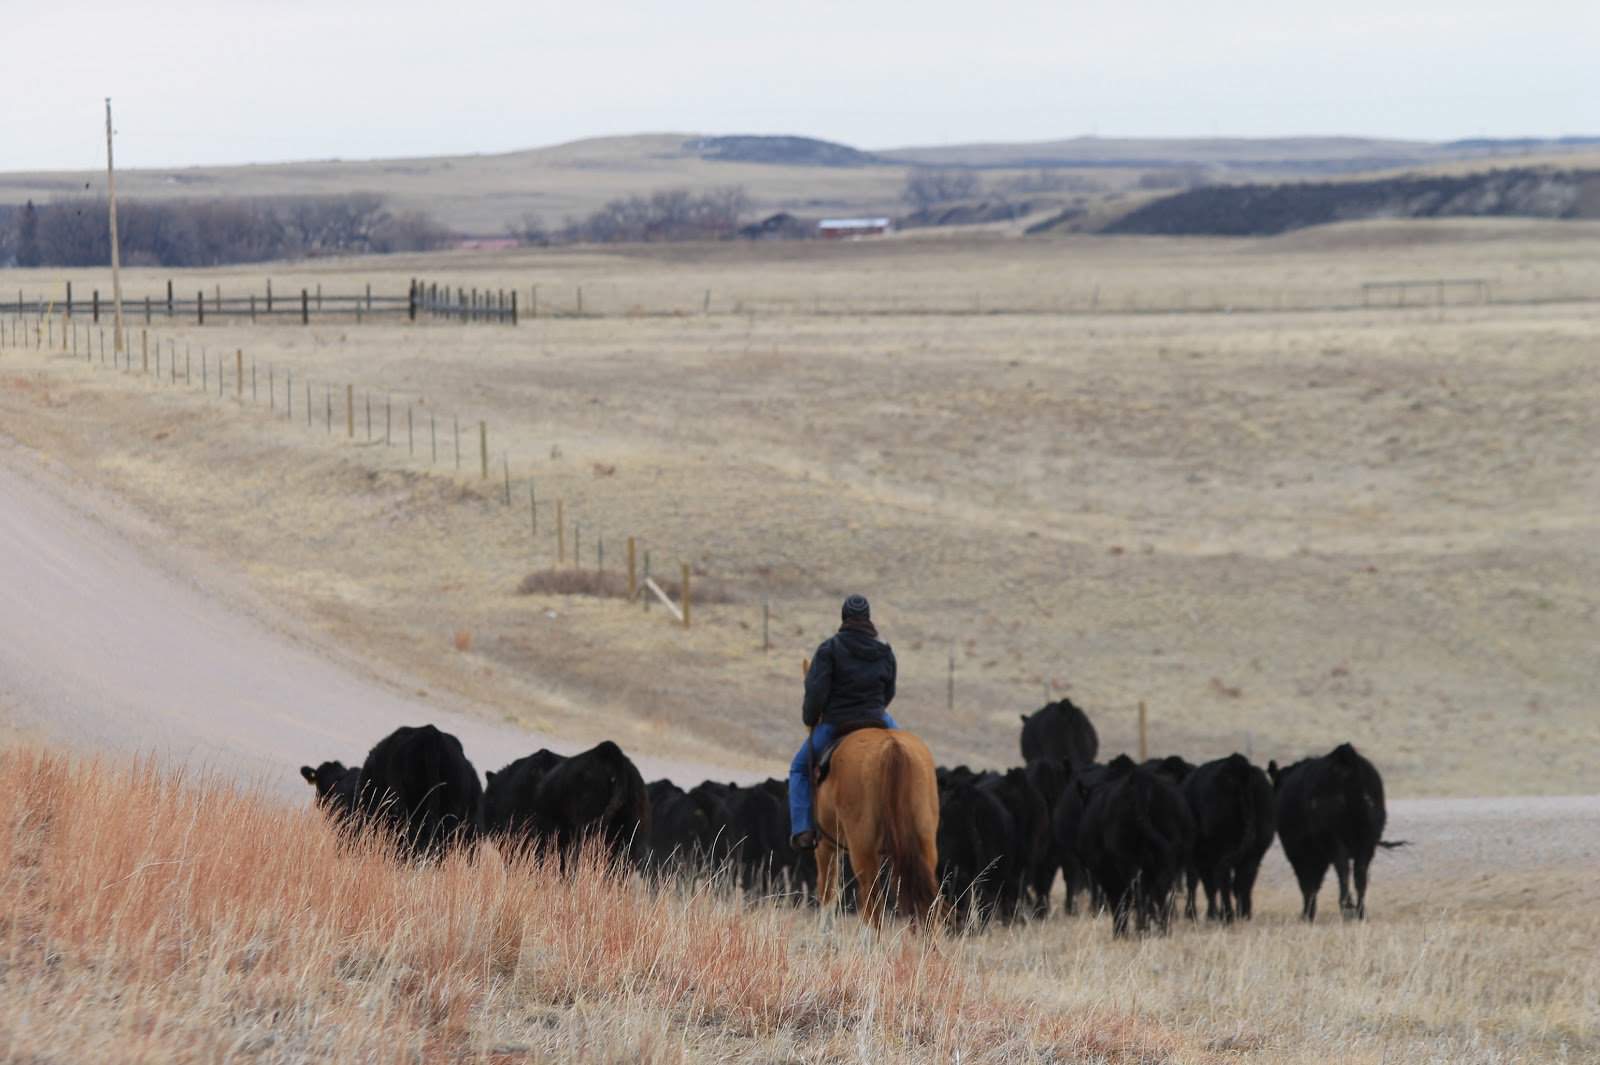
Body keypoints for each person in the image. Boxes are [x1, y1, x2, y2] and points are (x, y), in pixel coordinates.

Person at [789, 594, 899, 850]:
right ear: (868, 618)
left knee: (797, 770)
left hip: (837, 721)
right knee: (908, 754)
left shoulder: (829, 649)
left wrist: (810, 717)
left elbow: (816, 694)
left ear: (844, 618)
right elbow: (889, 691)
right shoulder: (885, 651)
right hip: (878, 717)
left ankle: (803, 829)